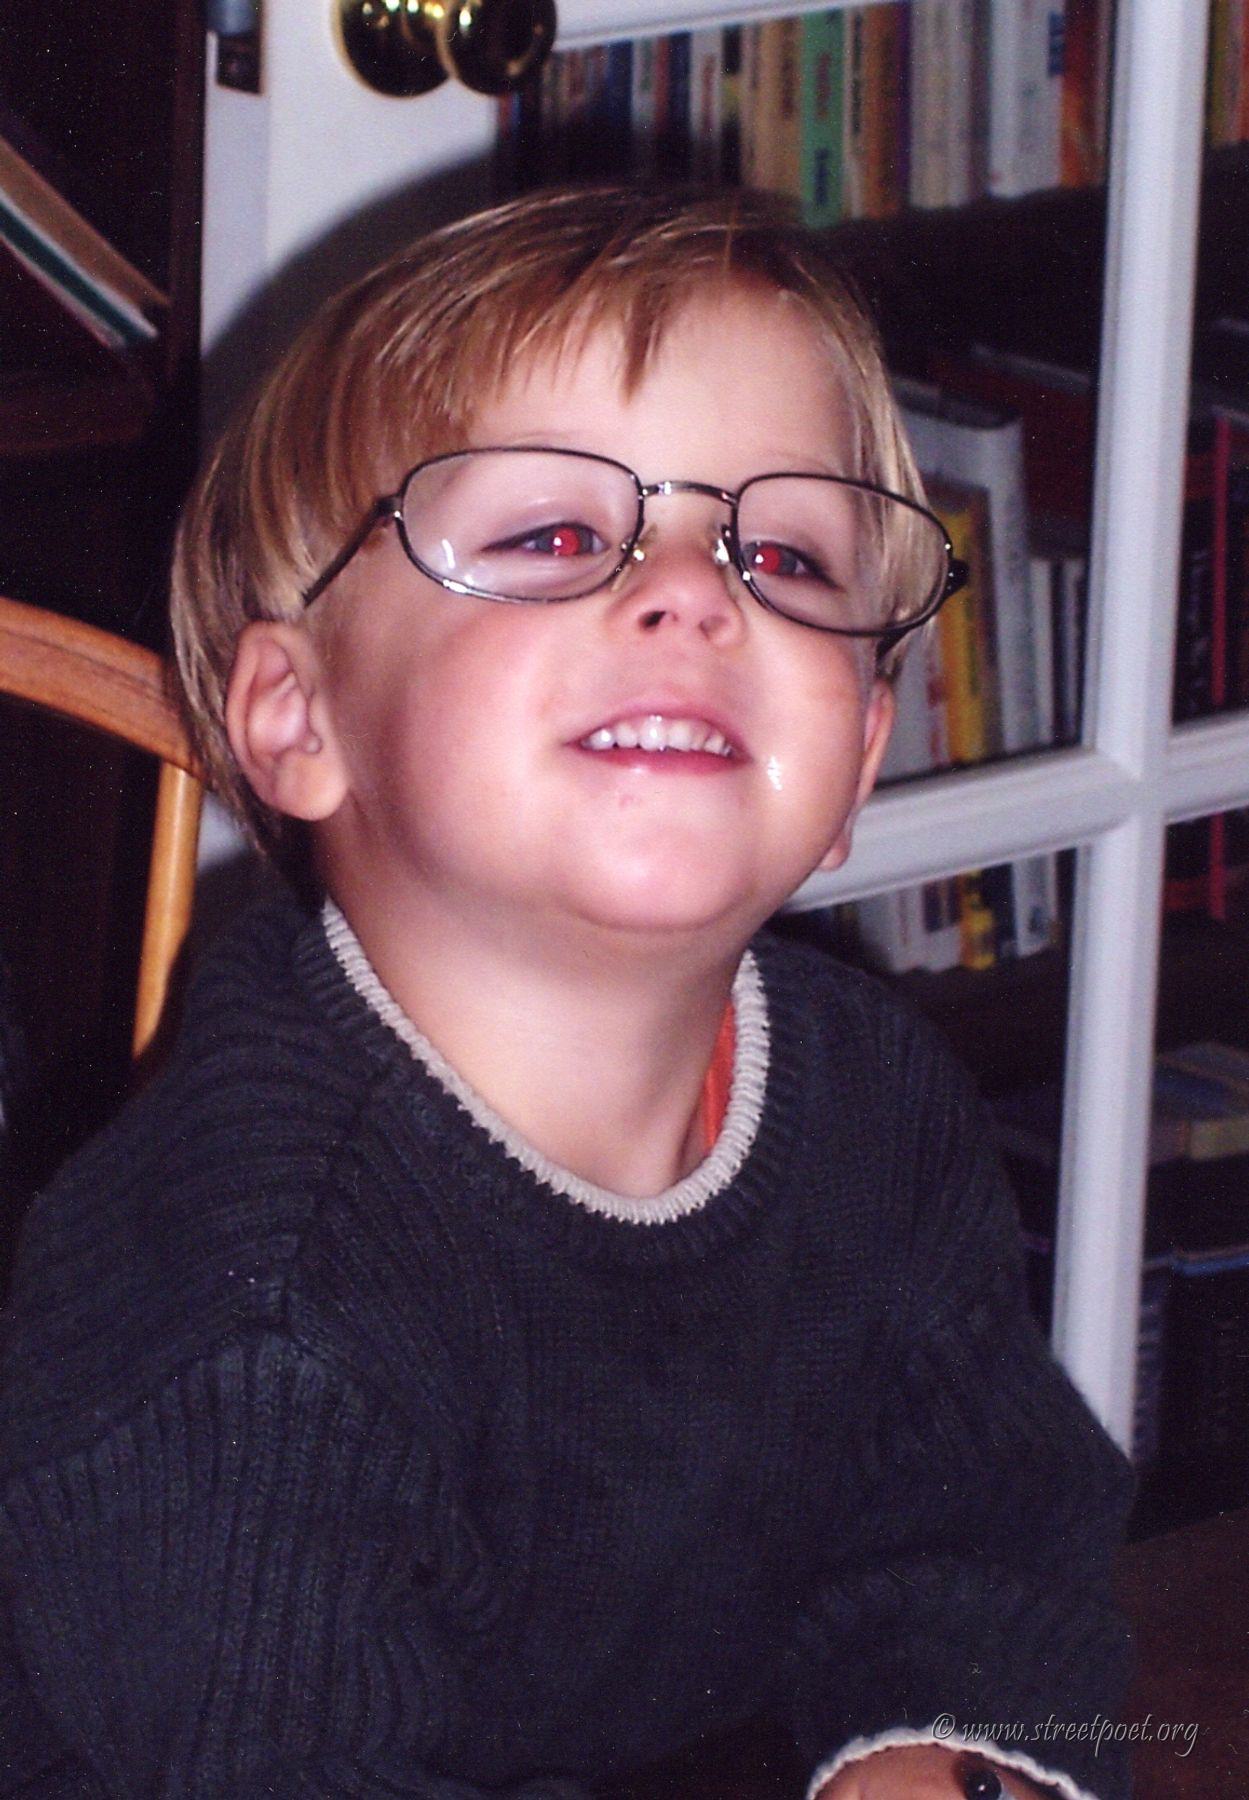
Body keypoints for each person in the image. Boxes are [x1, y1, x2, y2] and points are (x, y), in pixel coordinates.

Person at [0, 187, 1132, 1799]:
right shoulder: (259, 1289)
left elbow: (987, 1527)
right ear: (300, 719)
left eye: (785, 554)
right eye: (550, 536)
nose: (695, 591)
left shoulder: (868, 1101)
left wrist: (948, 1743)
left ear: (860, 755)